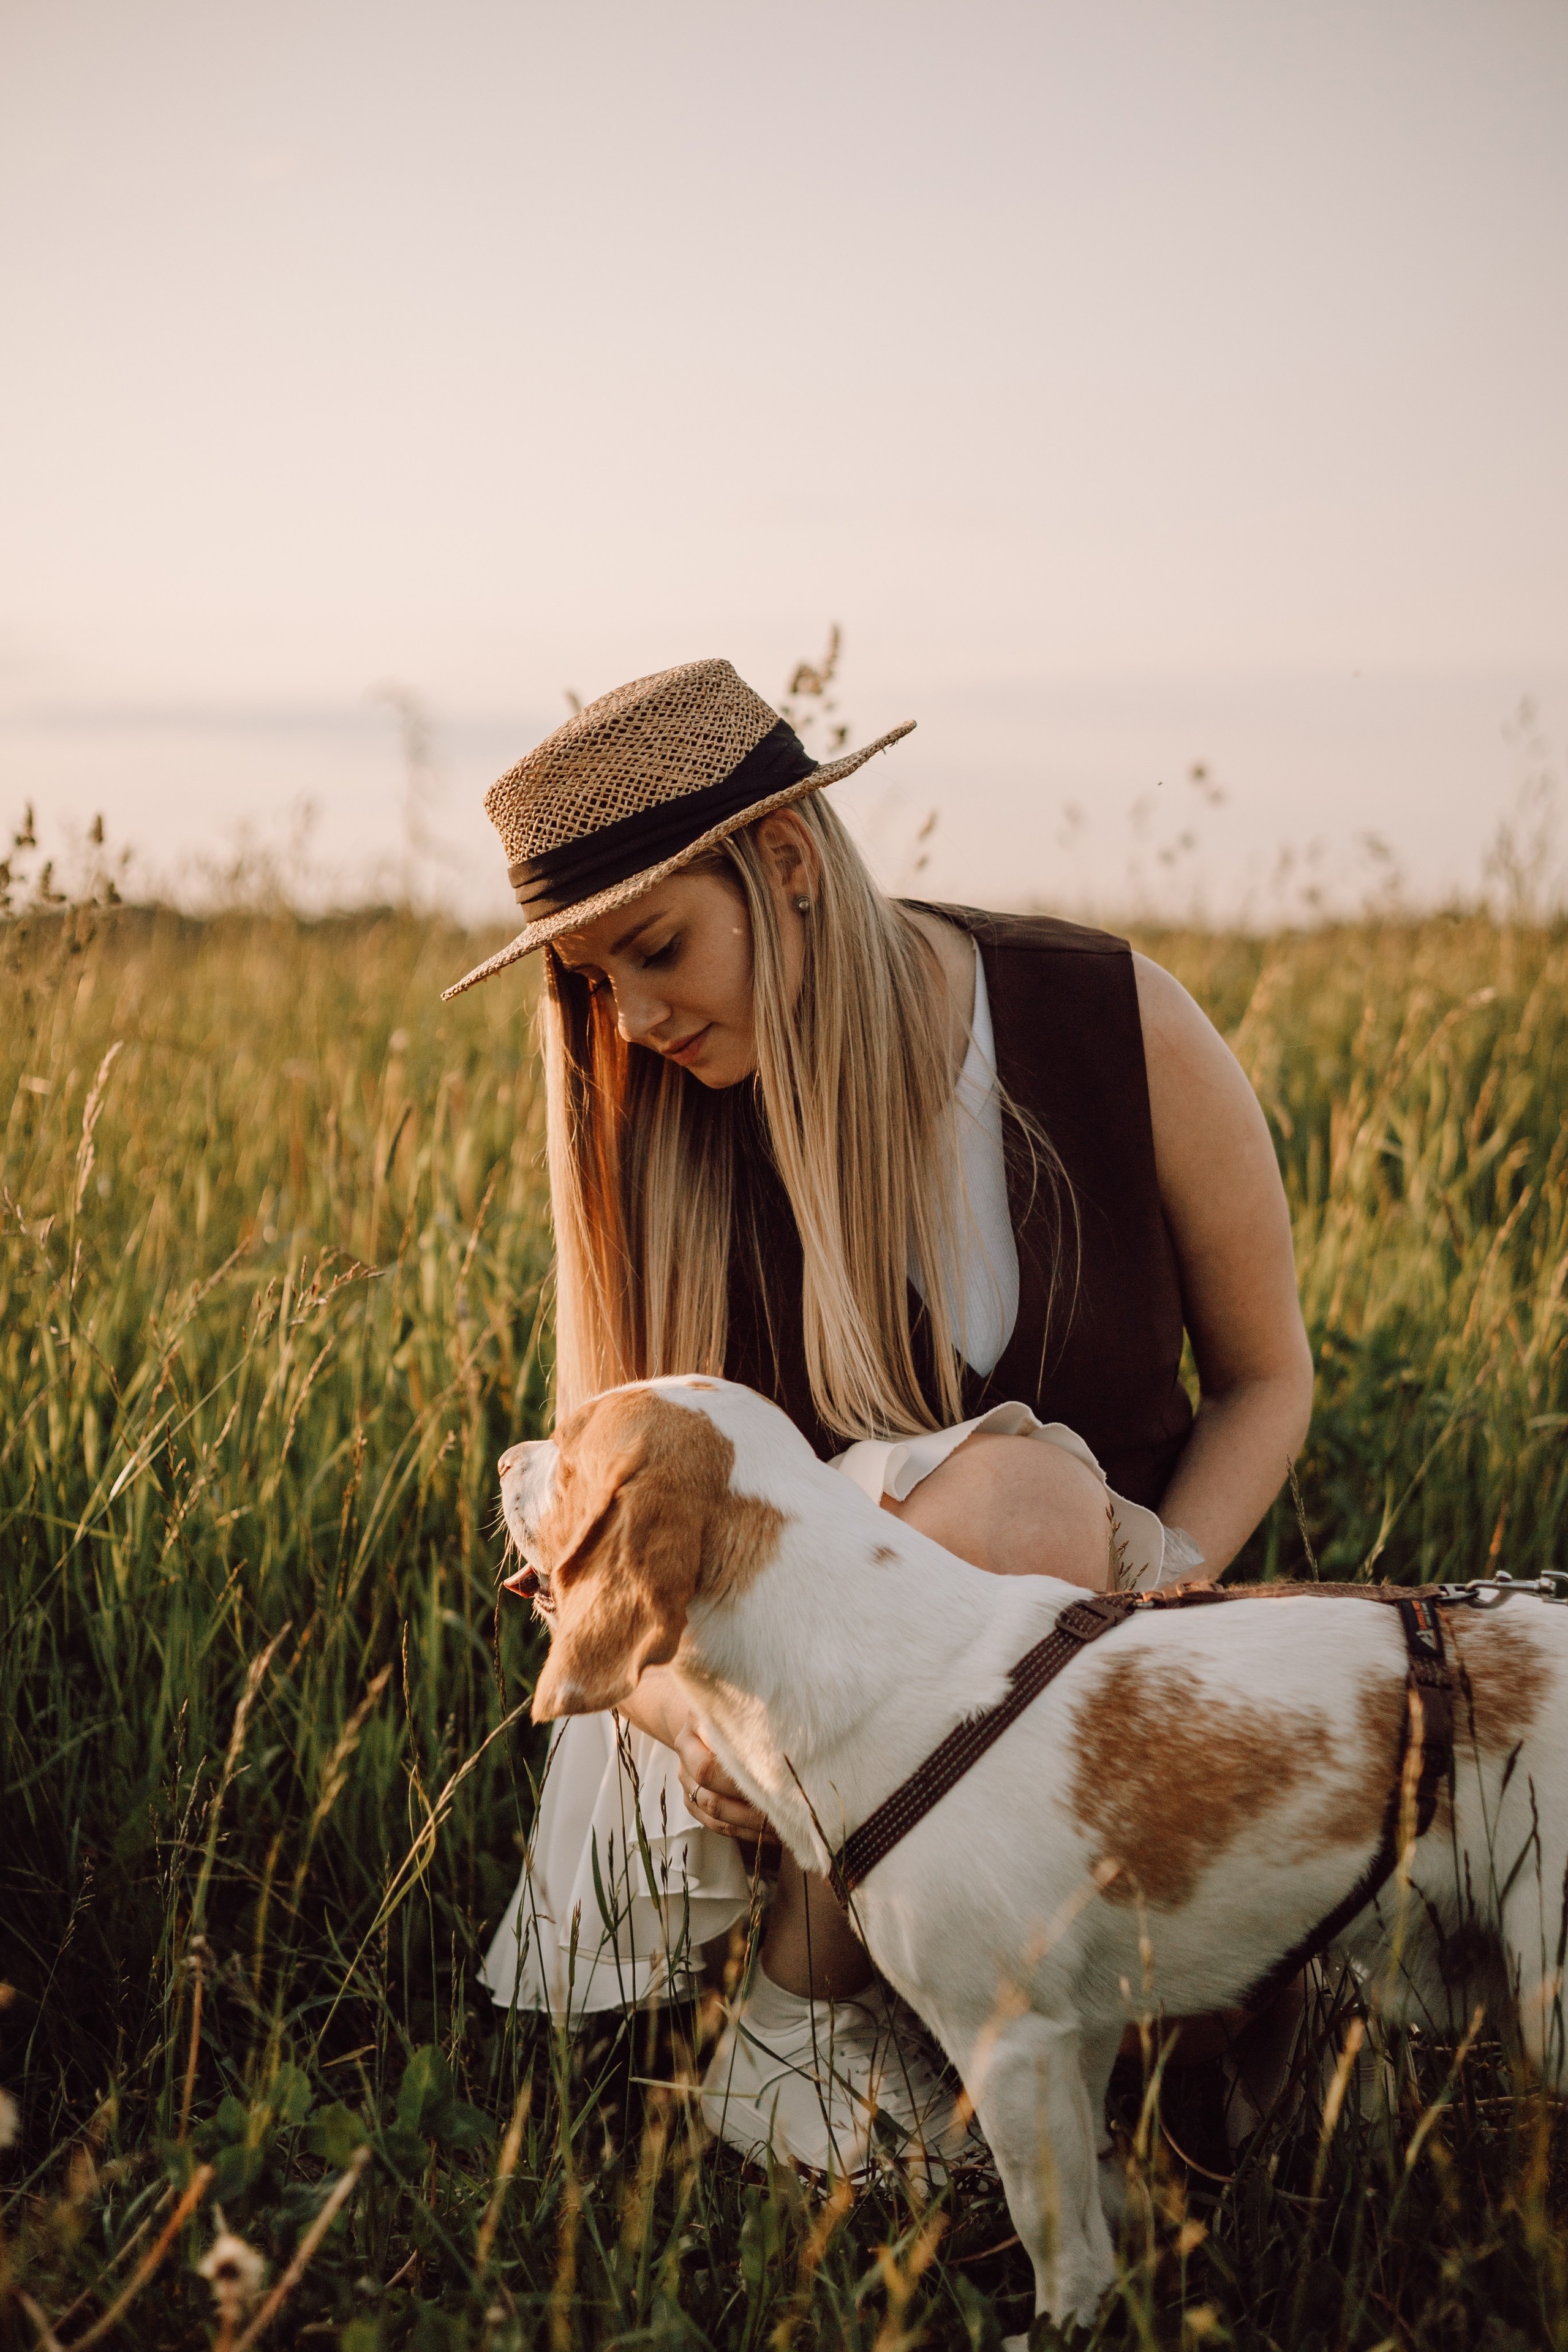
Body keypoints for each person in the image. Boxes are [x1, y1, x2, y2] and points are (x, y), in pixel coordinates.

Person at [446, 657, 1313, 2175]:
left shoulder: (1109, 1021)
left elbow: (1266, 1379)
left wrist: (1159, 1586)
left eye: (653, 949)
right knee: (1014, 1506)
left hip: (1125, 1629)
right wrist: (685, 1715)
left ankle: (997, 2024)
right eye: (590, 979)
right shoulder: (643, 1113)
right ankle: (799, 2023)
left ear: (783, 861)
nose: (631, 1016)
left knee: (1035, 1508)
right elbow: (595, 1539)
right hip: (792, 1719)